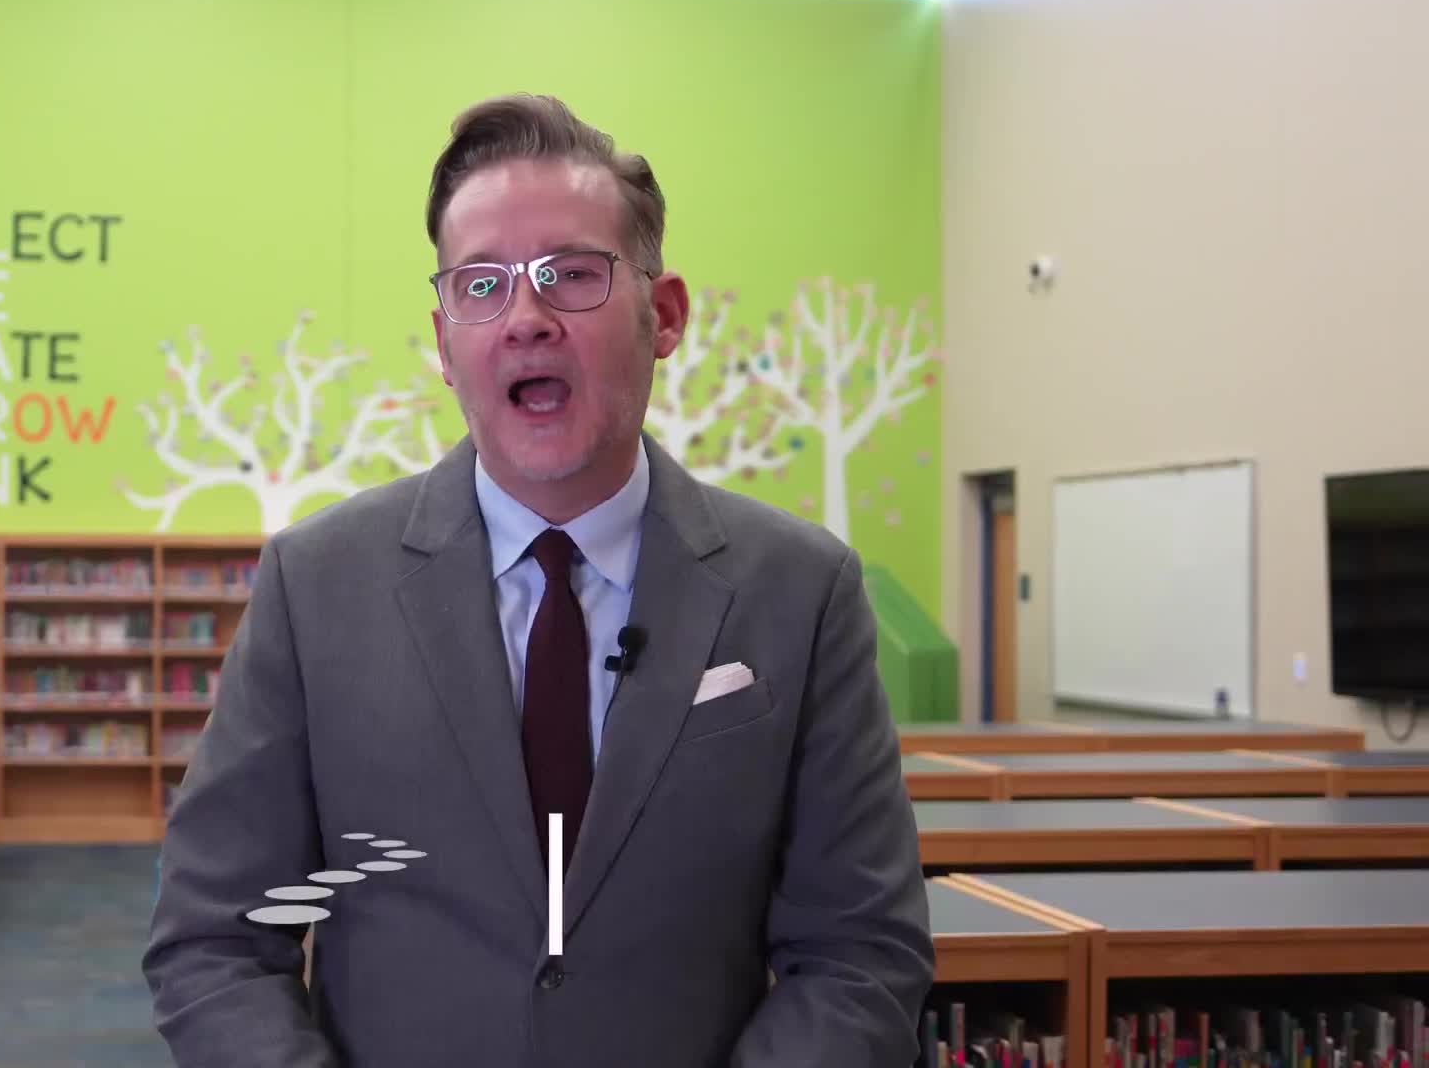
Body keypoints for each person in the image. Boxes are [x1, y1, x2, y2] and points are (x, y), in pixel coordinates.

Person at [142, 92, 934, 1067]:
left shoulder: (800, 591)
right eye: (482, 286)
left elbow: (858, 953)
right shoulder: (316, 586)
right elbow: (216, 939)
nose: (524, 318)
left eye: (570, 274)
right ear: (442, 343)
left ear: (666, 313)